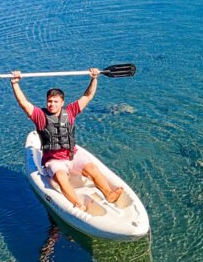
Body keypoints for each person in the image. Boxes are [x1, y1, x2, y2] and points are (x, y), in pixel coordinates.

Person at [10, 67, 123, 211]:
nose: (52, 104)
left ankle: (109, 194)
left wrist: (94, 79)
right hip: (54, 161)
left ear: (62, 102)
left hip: (72, 155)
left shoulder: (70, 111)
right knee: (61, 177)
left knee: (92, 168)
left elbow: (87, 96)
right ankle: (77, 204)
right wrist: (15, 83)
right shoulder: (40, 116)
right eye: (49, 101)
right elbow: (23, 103)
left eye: (56, 101)